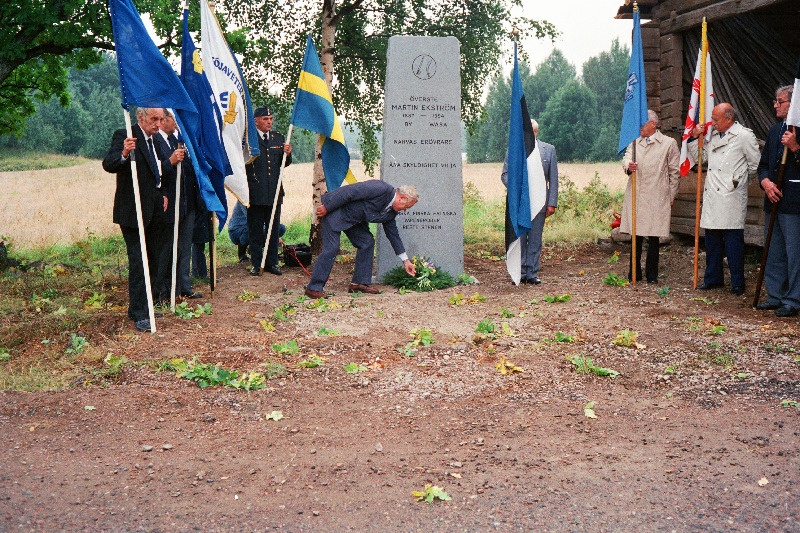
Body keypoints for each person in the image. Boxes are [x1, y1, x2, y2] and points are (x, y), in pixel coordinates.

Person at [102, 107, 184, 332]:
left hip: (155, 210)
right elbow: (109, 164)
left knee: (154, 259)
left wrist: (165, 193)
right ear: (140, 118)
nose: (158, 123)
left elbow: (161, 171)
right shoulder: (125, 135)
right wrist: (124, 154)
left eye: (160, 119)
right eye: (153, 119)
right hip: (132, 211)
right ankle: (139, 314)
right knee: (139, 262)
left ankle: (145, 304)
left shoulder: (156, 139)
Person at [688, 103, 760, 295]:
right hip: (713, 195)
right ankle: (713, 278)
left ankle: (737, 282)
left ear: (729, 118)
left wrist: (738, 181)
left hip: (731, 197)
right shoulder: (713, 137)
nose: (712, 123)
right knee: (712, 241)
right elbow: (701, 159)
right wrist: (695, 138)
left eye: (716, 119)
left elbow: (755, 164)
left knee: (733, 243)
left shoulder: (743, 136)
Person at [304, 181, 418, 299]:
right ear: (402, 198)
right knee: (332, 248)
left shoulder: (391, 213)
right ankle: (314, 288)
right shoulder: (381, 188)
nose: (405, 210)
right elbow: (350, 191)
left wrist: (406, 261)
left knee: (366, 242)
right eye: (407, 207)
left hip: (354, 221)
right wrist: (327, 206)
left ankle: (359, 283)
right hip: (336, 212)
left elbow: (393, 235)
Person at [621, 110, 680, 284]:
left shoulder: (668, 143)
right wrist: (628, 166)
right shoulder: (635, 142)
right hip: (637, 194)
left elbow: (674, 172)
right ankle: (634, 272)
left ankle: (652, 275)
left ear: (653, 124)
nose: (639, 127)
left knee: (654, 236)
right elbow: (625, 159)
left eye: (643, 124)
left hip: (657, 194)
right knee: (636, 235)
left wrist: (671, 195)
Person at [756, 85, 800, 317]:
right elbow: (763, 166)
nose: (775, 105)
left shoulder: (798, 130)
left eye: (780, 101)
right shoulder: (774, 131)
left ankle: (793, 298)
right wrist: (765, 183)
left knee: (795, 253)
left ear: (792, 105)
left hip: (794, 203)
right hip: (772, 200)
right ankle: (776, 295)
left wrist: (795, 147)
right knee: (773, 250)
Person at [500, 119, 558, 284]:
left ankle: (532, 273)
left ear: (536, 132)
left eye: (531, 131)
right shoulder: (514, 150)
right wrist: (517, 189)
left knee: (535, 239)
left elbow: (553, 179)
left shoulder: (549, 150)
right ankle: (519, 272)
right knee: (520, 238)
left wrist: (551, 203)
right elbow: (505, 175)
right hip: (520, 204)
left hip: (540, 202)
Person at [156, 109, 203, 301]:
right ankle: (164, 290)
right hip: (169, 205)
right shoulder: (156, 142)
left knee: (184, 247)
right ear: (163, 120)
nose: (176, 123)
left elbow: (189, 172)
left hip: (186, 203)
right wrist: (171, 161)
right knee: (167, 249)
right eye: (173, 119)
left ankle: (184, 285)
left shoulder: (177, 141)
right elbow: (157, 171)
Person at [245, 107, 292, 276]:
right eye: (265, 119)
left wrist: (288, 154)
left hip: (274, 193)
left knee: (273, 230)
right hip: (255, 193)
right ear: (256, 120)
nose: (269, 122)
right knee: (256, 230)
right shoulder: (249, 139)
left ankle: (272, 263)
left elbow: (282, 163)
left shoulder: (277, 138)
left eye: (271, 118)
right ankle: (257, 264)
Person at [228, 200, 285, 264]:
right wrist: (274, 235)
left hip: (254, 226)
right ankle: (242, 255)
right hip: (237, 231)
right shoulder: (243, 199)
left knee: (280, 228)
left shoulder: (263, 199)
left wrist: (275, 234)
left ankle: (262, 252)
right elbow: (253, 219)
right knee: (251, 230)